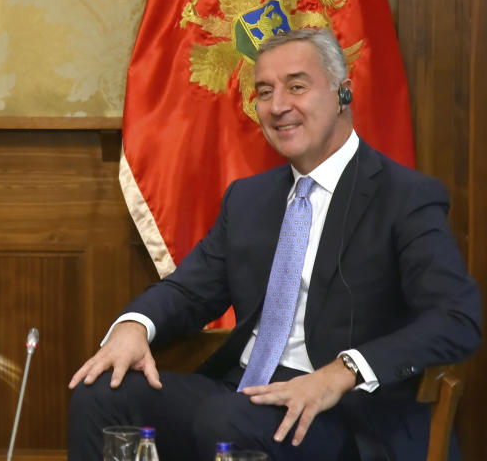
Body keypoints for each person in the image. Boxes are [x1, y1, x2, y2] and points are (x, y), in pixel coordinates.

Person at [67, 28, 481, 461]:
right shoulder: (249, 198)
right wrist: (134, 326)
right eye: (265, 92)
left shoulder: (404, 197)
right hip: (241, 390)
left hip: (346, 414)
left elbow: (456, 318)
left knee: (225, 421)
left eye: (296, 86)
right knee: (101, 393)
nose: (278, 106)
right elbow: (189, 290)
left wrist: (344, 371)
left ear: (343, 93)